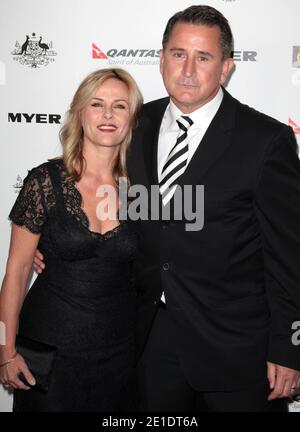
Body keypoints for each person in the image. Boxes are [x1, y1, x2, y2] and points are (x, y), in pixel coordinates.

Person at [34, 5, 300, 412]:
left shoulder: (266, 141)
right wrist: (60, 250)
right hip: (148, 346)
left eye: (204, 57)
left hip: (237, 354)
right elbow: (103, 198)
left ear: (226, 68)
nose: (188, 69)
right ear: (161, 60)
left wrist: (289, 347)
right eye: (178, 54)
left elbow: (289, 256)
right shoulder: (133, 125)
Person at [0, 68, 143, 411]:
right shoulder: (44, 181)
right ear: (80, 113)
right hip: (49, 349)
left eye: (120, 106)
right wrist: (5, 350)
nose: (108, 115)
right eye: (97, 104)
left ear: (132, 118)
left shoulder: (143, 190)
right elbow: (18, 271)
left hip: (119, 353)